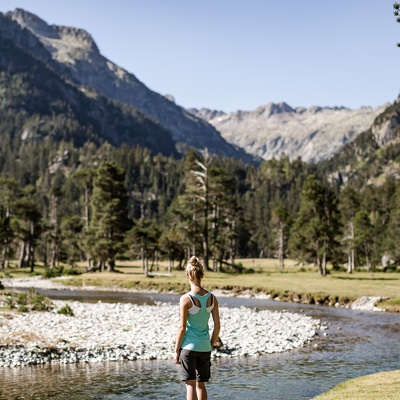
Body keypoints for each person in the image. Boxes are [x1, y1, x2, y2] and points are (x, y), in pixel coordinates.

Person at [174, 256, 221, 400]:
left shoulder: (185, 299)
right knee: (201, 384)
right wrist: (210, 344)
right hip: (205, 348)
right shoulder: (212, 298)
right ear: (202, 275)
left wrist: (176, 350)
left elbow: (182, 327)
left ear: (187, 275)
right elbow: (217, 326)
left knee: (190, 384)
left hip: (188, 348)